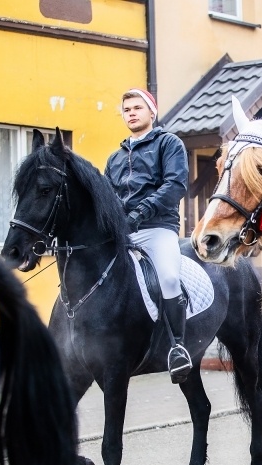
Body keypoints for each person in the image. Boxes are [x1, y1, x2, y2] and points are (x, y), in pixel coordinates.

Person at [104, 88, 193, 383]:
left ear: (151, 112)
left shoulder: (169, 144)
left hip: (157, 229)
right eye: (126, 108)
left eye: (137, 107)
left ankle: (178, 346)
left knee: (168, 277)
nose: (131, 112)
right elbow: (106, 196)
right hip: (123, 232)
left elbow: (175, 185)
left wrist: (139, 213)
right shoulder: (114, 158)